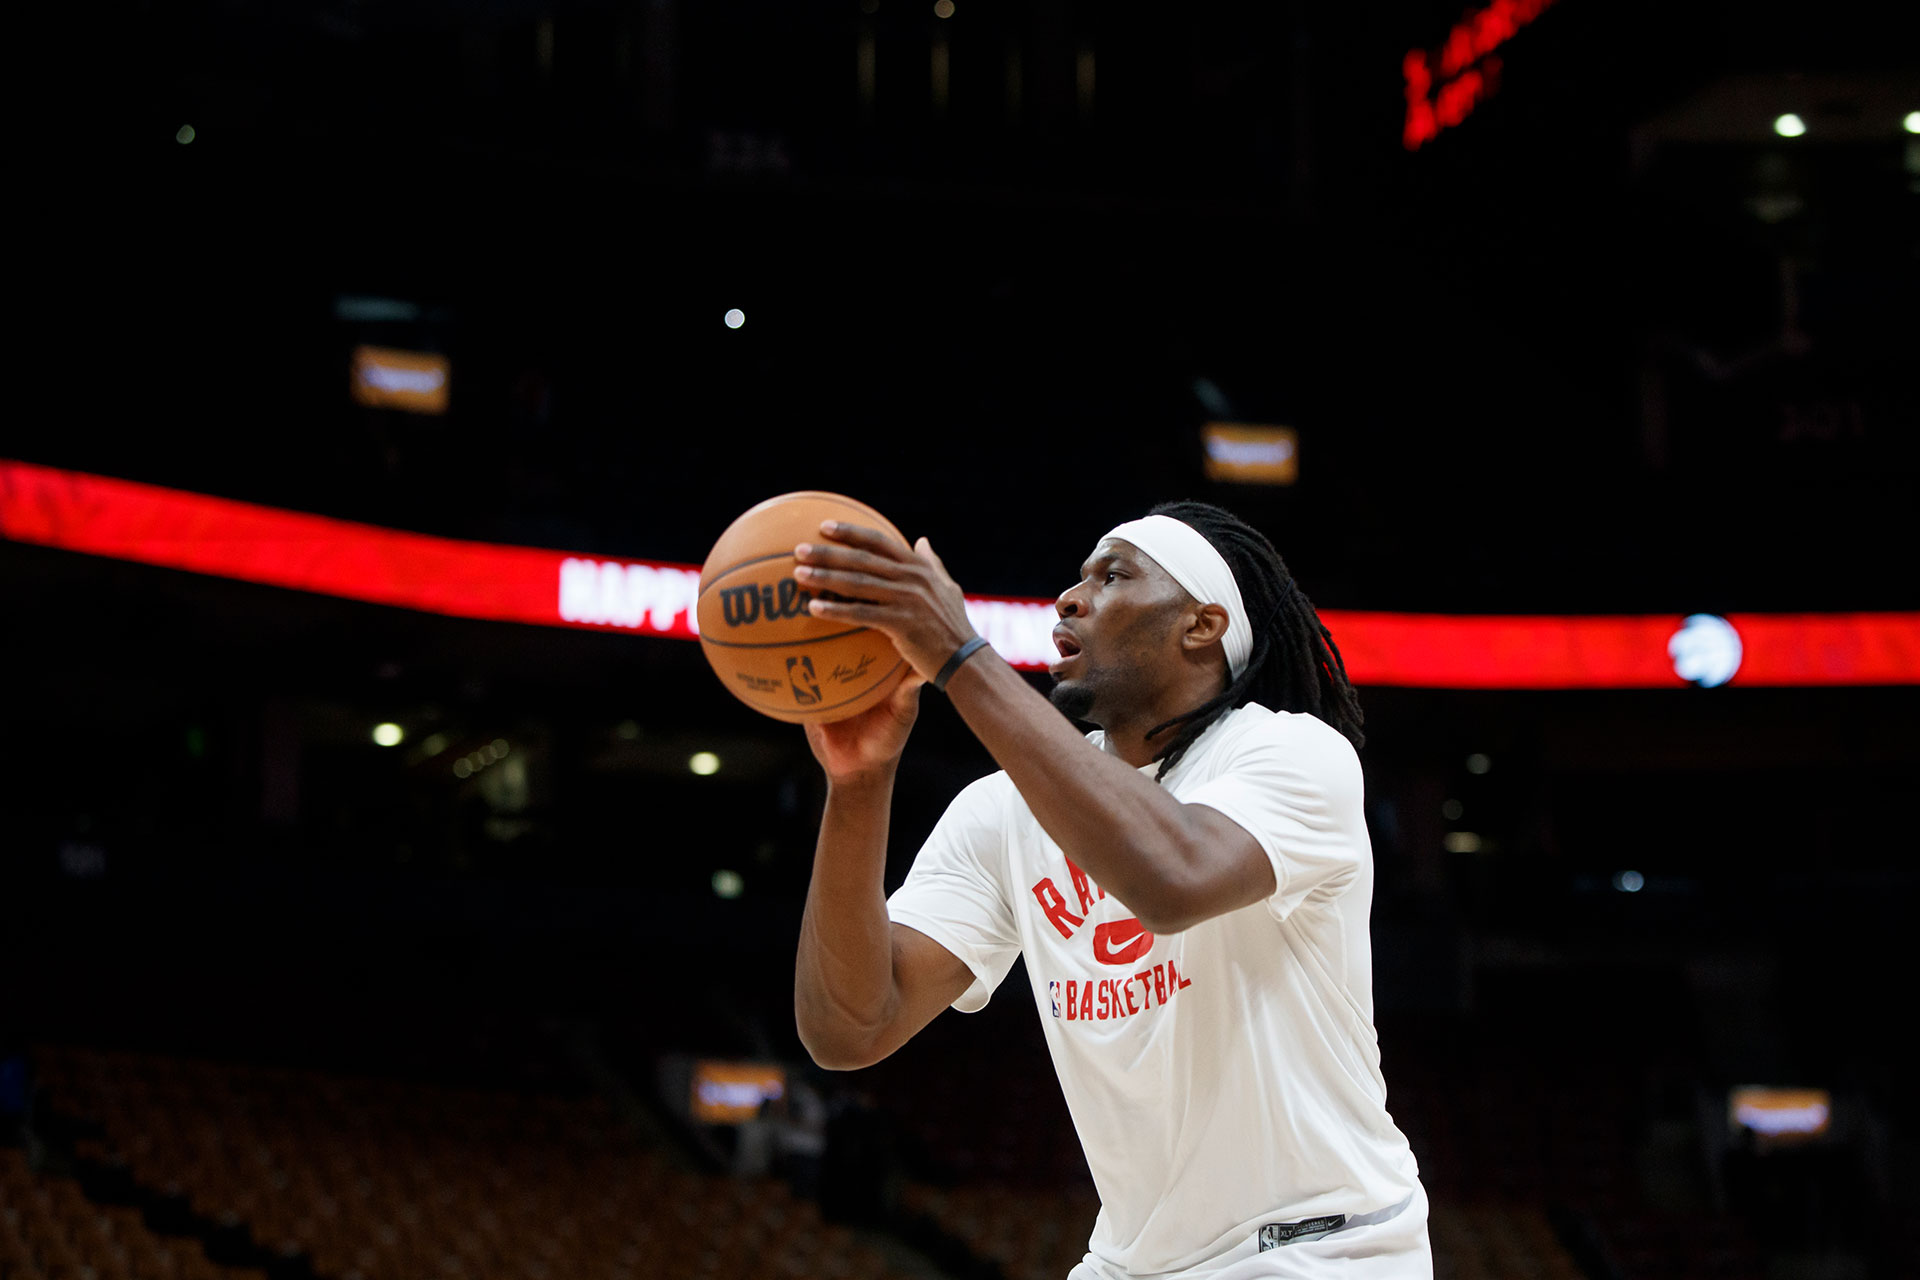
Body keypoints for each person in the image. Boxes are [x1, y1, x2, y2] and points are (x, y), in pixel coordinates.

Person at [790, 501, 1431, 1280]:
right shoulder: (1004, 810)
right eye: (1079, 575)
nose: (1069, 596)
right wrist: (858, 785)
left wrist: (962, 657)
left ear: (1201, 625)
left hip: (1322, 1249)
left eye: (1113, 574)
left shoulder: (1291, 753)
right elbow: (851, 1026)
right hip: (1130, 1263)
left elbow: (1172, 880)